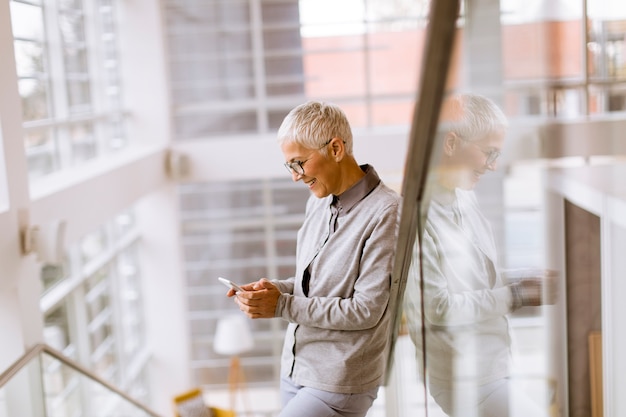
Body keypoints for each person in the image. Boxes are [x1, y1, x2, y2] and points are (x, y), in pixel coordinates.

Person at [225, 101, 401, 417]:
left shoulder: (387, 213)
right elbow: (315, 286)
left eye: (299, 163)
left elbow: (367, 310)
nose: (295, 177)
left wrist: (281, 305)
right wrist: (272, 291)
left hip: (339, 382)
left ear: (335, 148)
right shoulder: (318, 204)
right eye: (289, 166)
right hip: (296, 369)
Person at [403, 93, 556, 417]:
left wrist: (524, 280)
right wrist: (515, 295)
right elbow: (439, 309)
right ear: (451, 143)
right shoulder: (415, 219)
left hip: (493, 365)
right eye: (489, 152)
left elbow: (476, 279)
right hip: (464, 378)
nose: (494, 165)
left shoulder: (463, 197)